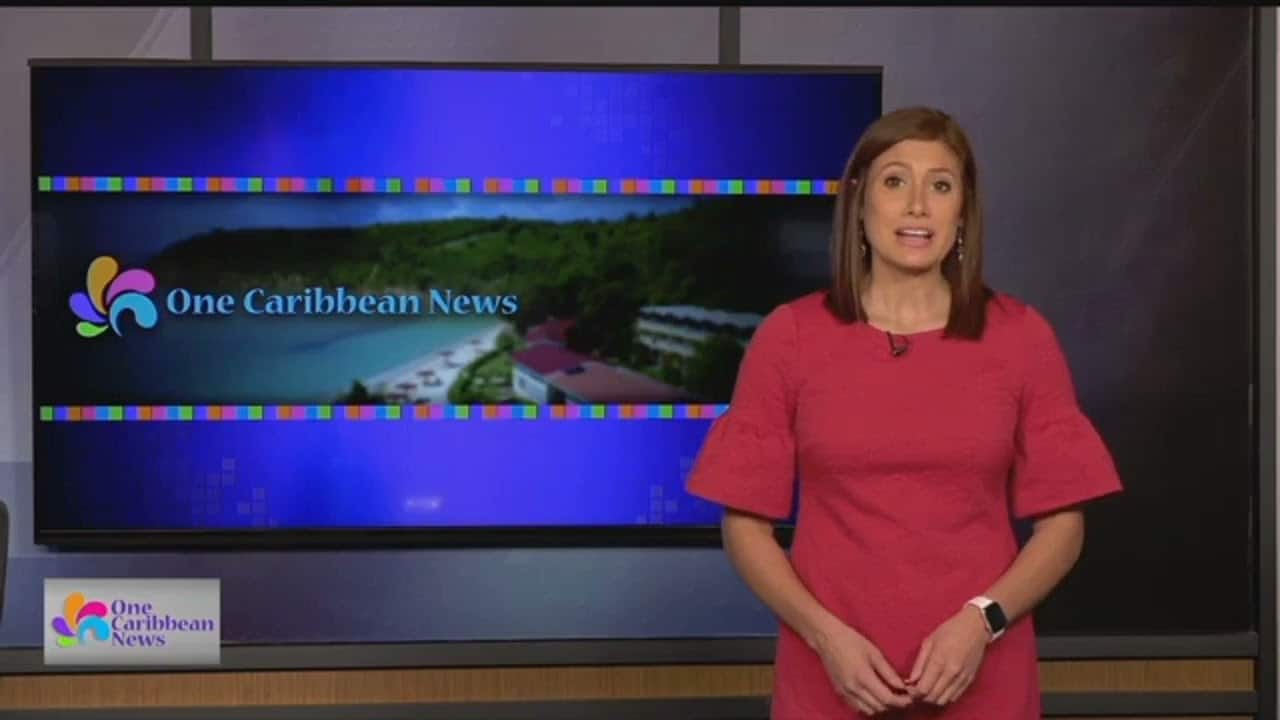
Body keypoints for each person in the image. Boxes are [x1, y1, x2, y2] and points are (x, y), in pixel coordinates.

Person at [686, 107, 1123, 719]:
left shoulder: (1021, 337)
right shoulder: (790, 337)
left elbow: (1063, 527)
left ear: (962, 212)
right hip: (832, 679)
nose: (918, 205)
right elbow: (745, 527)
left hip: (982, 677)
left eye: (940, 186)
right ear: (860, 203)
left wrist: (983, 621)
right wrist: (826, 638)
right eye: (895, 181)